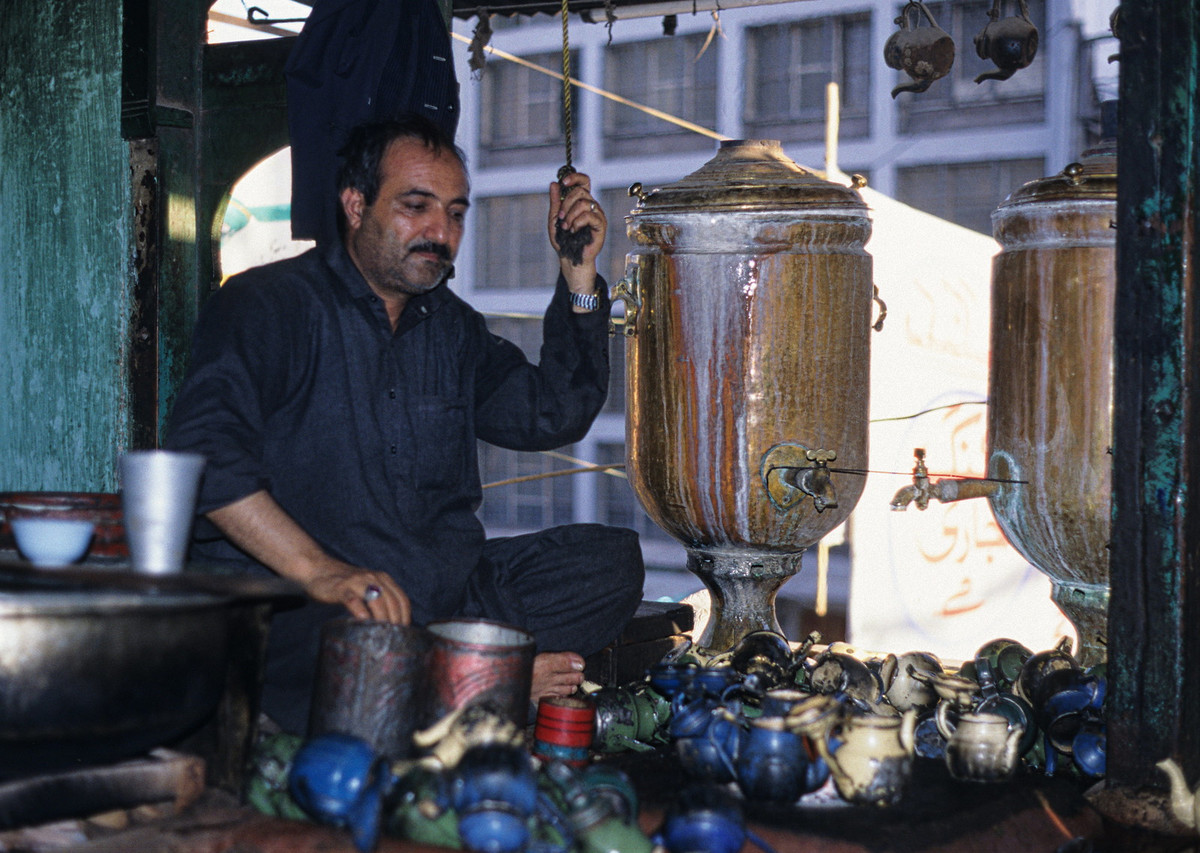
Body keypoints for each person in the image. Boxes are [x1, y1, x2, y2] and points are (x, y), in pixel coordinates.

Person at [166, 115, 645, 734]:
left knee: (610, 562)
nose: (440, 232)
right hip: (321, 603)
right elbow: (204, 457)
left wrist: (578, 276)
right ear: (355, 204)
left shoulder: (452, 328)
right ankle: (479, 679)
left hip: (441, 600)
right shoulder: (267, 304)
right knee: (286, 636)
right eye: (416, 207)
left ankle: (442, 671)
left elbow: (553, 412)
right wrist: (323, 573)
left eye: (455, 213)